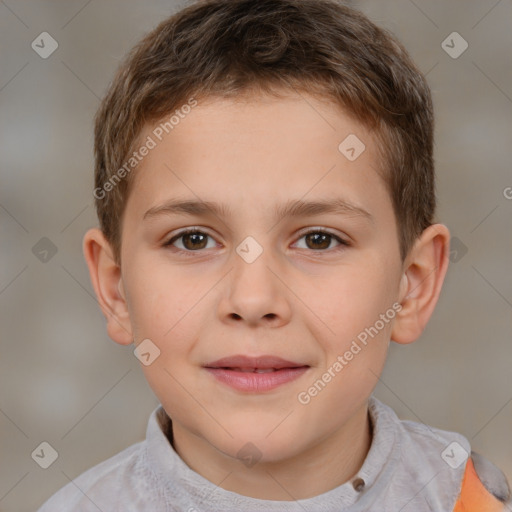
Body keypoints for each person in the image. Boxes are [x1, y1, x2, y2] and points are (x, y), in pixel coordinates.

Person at [37, 0, 511, 510]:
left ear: (412, 284)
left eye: (319, 239)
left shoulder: (475, 498)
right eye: (193, 239)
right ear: (115, 289)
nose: (254, 299)